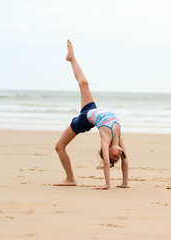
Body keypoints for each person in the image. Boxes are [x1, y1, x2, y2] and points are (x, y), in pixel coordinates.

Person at [54, 40, 129, 190]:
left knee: (59, 147)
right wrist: (124, 183)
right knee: (84, 83)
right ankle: (71, 58)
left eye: (114, 156)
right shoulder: (118, 136)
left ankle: (70, 179)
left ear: (107, 150)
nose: (119, 155)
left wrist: (107, 184)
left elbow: (106, 163)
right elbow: (126, 161)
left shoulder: (106, 138)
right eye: (118, 157)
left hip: (84, 120)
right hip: (92, 111)